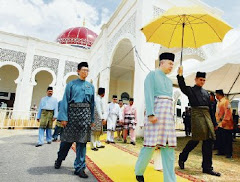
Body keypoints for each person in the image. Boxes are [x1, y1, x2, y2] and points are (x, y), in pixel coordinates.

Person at [135, 52, 177, 182]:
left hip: (168, 118)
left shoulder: (169, 81)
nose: (171, 66)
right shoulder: (152, 75)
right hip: (155, 116)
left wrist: (180, 76)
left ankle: (170, 180)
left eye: (173, 64)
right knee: (150, 146)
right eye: (170, 63)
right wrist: (151, 114)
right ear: (162, 62)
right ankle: (139, 171)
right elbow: (148, 94)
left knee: (169, 148)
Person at [54, 62, 95, 179]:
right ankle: (59, 159)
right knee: (66, 141)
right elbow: (65, 101)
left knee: (82, 143)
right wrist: (63, 118)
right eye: (83, 70)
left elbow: (92, 104)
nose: (85, 72)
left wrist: (92, 119)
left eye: (87, 70)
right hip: (72, 116)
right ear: (78, 71)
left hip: (85, 117)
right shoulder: (71, 84)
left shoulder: (90, 86)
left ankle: (80, 168)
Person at [177, 68, 220, 177]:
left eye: (204, 80)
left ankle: (207, 167)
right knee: (196, 140)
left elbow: (211, 109)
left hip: (207, 116)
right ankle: (182, 157)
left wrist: (214, 123)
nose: (202, 82)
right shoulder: (190, 90)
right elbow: (182, 86)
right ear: (196, 79)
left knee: (209, 140)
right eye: (200, 80)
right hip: (197, 115)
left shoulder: (206, 93)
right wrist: (180, 75)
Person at [215, 89, 233, 158]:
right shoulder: (219, 102)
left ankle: (229, 153)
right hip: (219, 124)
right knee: (220, 138)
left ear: (218, 94)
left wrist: (224, 121)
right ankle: (221, 151)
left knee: (227, 139)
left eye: (216, 94)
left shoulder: (226, 101)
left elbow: (228, 113)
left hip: (226, 125)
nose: (215, 96)